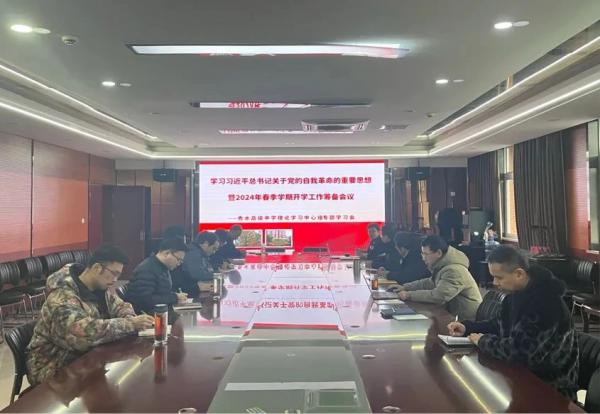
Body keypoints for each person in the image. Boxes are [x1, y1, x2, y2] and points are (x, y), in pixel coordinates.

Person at [447, 246, 579, 400]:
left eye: (499, 277)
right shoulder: (515, 296)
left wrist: (482, 340)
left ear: (519, 274)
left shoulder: (546, 304)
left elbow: (518, 352)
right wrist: (468, 327)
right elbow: (498, 325)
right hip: (519, 378)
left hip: (550, 389)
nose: (495, 283)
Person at [26, 245, 155, 385]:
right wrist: (130, 324)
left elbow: (120, 305)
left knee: (128, 375)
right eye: (114, 273)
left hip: (83, 357)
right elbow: (81, 335)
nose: (115, 279)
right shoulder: (62, 296)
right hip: (52, 365)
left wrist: (129, 317)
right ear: (97, 268)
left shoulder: (98, 287)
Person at [396, 235, 482, 320]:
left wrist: (408, 295)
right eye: (422, 254)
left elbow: (439, 296)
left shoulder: (454, 270)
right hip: (452, 314)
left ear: (439, 253)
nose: (423, 258)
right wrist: (405, 287)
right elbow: (430, 282)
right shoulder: (444, 266)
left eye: (426, 254)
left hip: (466, 321)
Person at [125, 237, 188, 314]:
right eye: (178, 259)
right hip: (146, 316)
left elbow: (161, 292)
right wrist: (175, 297)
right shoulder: (147, 269)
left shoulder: (161, 267)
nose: (179, 264)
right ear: (167, 253)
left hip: (158, 312)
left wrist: (175, 295)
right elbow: (145, 300)